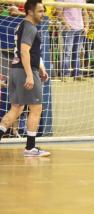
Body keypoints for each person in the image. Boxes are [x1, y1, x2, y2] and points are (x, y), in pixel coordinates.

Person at [0, 0, 50, 157]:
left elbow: (31, 51)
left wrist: (41, 68)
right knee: (36, 108)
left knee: (17, 108)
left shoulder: (22, 25)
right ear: (30, 12)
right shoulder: (29, 27)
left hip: (15, 70)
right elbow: (24, 51)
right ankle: (30, 148)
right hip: (24, 71)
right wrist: (30, 74)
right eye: (40, 11)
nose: (43, 14)